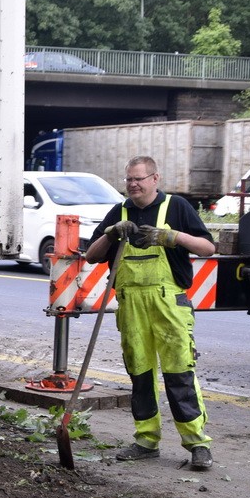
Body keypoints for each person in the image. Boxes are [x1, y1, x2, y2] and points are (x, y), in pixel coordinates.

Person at [84, 156, 217, 470]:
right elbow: (91, 256)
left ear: (155, 178)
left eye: (139, 179)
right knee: (140, 375)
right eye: (129, 179)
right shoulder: (120, 212)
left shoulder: (177, 207)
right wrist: (111, 233)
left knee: (179, 374)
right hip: (131, 305)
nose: (133, 184)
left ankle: (198, 444)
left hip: (169, 304)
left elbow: (208, 248)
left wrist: (171, 237)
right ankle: (146, 441)